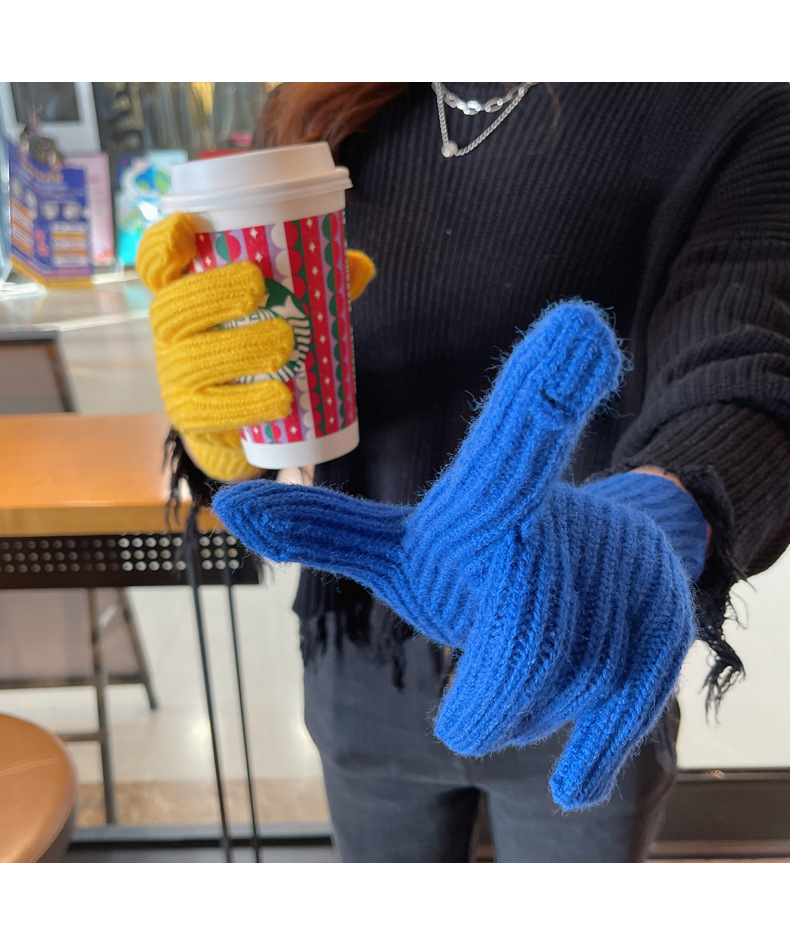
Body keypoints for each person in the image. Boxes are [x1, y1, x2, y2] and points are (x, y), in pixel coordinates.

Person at [137, 83, 790, 862]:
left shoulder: (724, 100)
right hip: (362, 637)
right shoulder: (323, 98)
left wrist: (656, 518)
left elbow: (750, 358)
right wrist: (226, 433)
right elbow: (278, 345)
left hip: (580, 631)